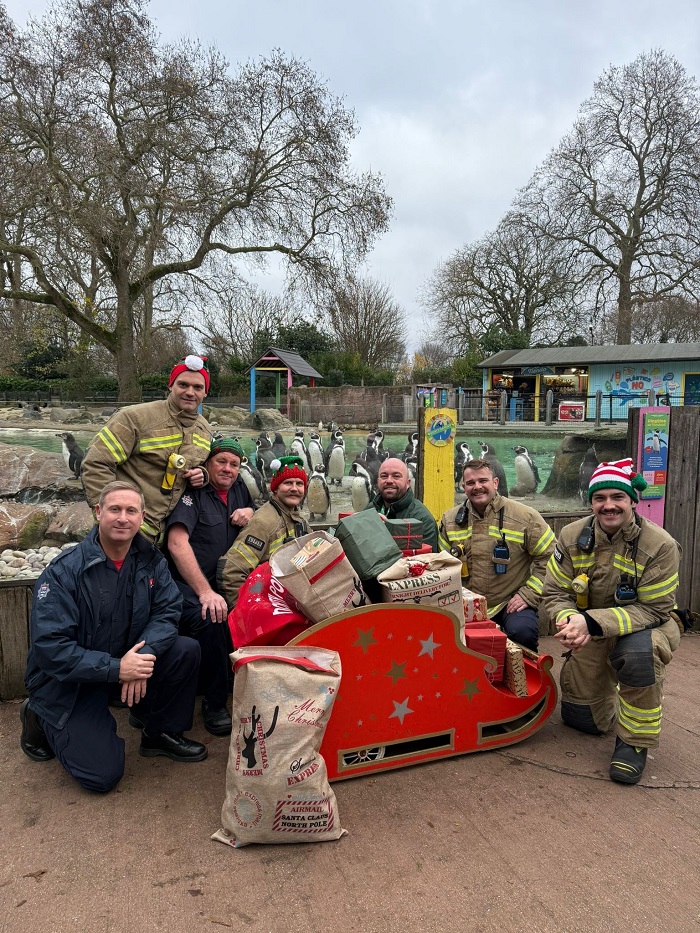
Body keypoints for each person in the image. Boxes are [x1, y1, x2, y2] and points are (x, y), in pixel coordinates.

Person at [20, 481, 206, 794]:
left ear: (142, 517)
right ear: (98, 512)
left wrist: (140, 659)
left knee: (185, 650)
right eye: (115, 509)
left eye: (131, 510)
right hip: (71, 682)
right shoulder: (64, 572)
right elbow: (51, 648)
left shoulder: (151, 561)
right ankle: (37, 715)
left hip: (123, 661)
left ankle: (158, 733)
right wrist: (118, 669)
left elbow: (168, 612)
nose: (123, 518)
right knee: (102, 776)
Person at [542, 458, 682, 785]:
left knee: (637, 657)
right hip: (592, 628)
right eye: (600, 498)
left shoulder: (660, 545)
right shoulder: (571, 535)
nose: (609, 506)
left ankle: (634, 742)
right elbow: (554, 593)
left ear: (633, 500)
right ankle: (604, 695)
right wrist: (568, 620)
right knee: (583, 721)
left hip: (649, 625)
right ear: (590, 502)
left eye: (617, 498)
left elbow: (655, 609)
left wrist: (589, 623)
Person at [164, 438, 255, 735]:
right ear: (207, 463)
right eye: (221, 462)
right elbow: (177, 543)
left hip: (226, 581)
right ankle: (215, 703)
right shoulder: (194, 493)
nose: (228, 469)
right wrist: (204, 591)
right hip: (187, 583)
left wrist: (251, 513)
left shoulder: (240, 487)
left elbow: (260, 511)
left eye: (234, 464)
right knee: (213, 616)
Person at [81, 355, 213, 543]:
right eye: (183, 385)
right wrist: (110, 518)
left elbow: (202, 464)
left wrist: (201, 473)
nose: (190, 392)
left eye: (198, 387)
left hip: (169, 536)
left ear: (205, 392)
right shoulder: (134, 418)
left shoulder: (205, 429)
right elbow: (96, 463)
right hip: (127, 531)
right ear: (170, 386)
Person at [439, 459, 555, 651]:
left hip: (508, 603)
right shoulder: (450, 520)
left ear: (495, 483)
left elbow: (551, 559)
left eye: (483, 481)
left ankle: (521, 679)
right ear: (463, 487)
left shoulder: (526, 517)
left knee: (522, 632)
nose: (477, 487)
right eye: (470, 483)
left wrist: (528, 594)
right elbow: (443, 567)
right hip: (465, 604)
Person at [218, 456, 308, 611]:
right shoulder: (264, 523)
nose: (294, 488)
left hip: (287, 601)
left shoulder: (297, 518)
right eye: (287, 483)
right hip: (271, 606)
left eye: (299, 484)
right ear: (275, 488)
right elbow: (230, 572)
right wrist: (250, 613)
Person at [366, 457, 439, 551]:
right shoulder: (370, 510)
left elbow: (428, 561)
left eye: (396, 476)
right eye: (384, 476)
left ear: (408, 483)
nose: (389, 481)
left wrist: (389, 532)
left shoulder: (422, 519)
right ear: (378, 481)